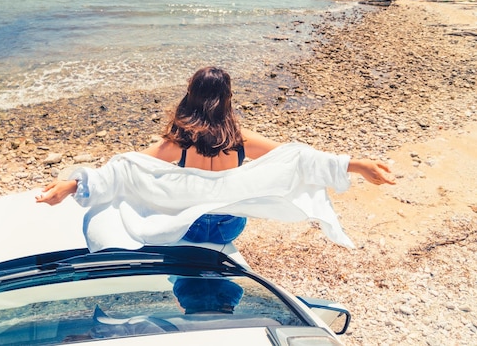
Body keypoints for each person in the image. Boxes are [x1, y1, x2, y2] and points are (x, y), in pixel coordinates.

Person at [36, 66, 394, 248]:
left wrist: (73, 184)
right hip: (228, 224)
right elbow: (297, 158)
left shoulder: (178, 143)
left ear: (190, 96)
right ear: (227, 99)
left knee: (185, 269)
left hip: (188, 226)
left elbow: (124, 169)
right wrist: (354, 165)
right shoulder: (240, 141)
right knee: (219, 249)